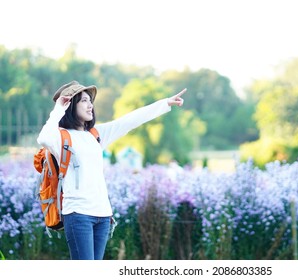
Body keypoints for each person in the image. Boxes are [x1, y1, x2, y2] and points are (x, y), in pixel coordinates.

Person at [37, 80, 187, 260]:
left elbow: (129, 121)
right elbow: (43, 138)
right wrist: (58, 108)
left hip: (103, 215)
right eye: (84, 100)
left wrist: (165, 103)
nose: (90, 105)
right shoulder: (61, 138)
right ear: (70, 105)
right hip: (78, 215)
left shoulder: (95, 135)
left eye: (90, 101)